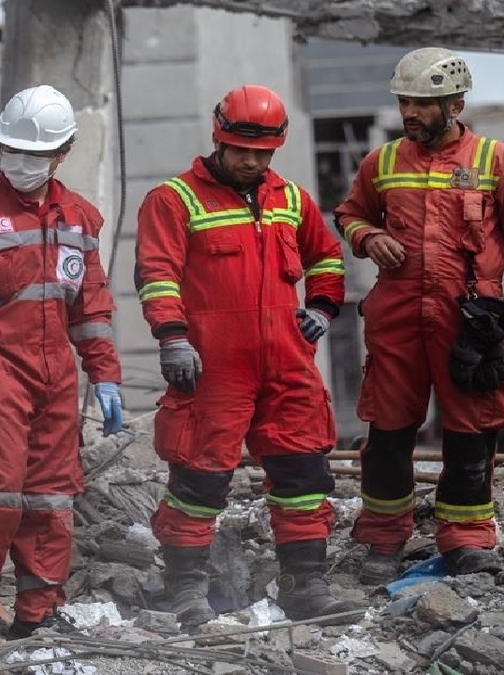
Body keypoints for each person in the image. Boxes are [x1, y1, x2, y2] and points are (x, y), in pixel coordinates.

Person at [333, 47, 504, 585]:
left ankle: (466, 539)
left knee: (472, 428)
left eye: (422, 102)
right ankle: (384, 538)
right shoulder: (382, 162)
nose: (410, 111)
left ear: (455, 103)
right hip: (396, 316)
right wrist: (369, 236)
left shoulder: (498, 161)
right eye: (405, 100)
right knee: (388, 428)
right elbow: (350, 213)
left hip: (468, 318)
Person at [135, 84, 357, 627]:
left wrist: (323, 309)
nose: (252, 162)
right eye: (241, 151)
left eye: (263, 154)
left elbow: (326, 258)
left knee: (304, 477)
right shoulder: (174, 199)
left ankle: (306, 586)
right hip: (211, 370)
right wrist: (172, 337)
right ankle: (186, 590)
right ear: (219, 138)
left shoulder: (290, 199)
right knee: (199, 482)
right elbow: (156, 274)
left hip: (287, 364)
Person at [0, 84, 124, 638]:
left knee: (53, 494)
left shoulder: (80, 217)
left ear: (63, 153)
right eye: (11, 150)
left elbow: (91, 305)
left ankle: (39, 610)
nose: (20, 163)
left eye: (35, 155)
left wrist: (104, 374)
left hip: (56, 368)